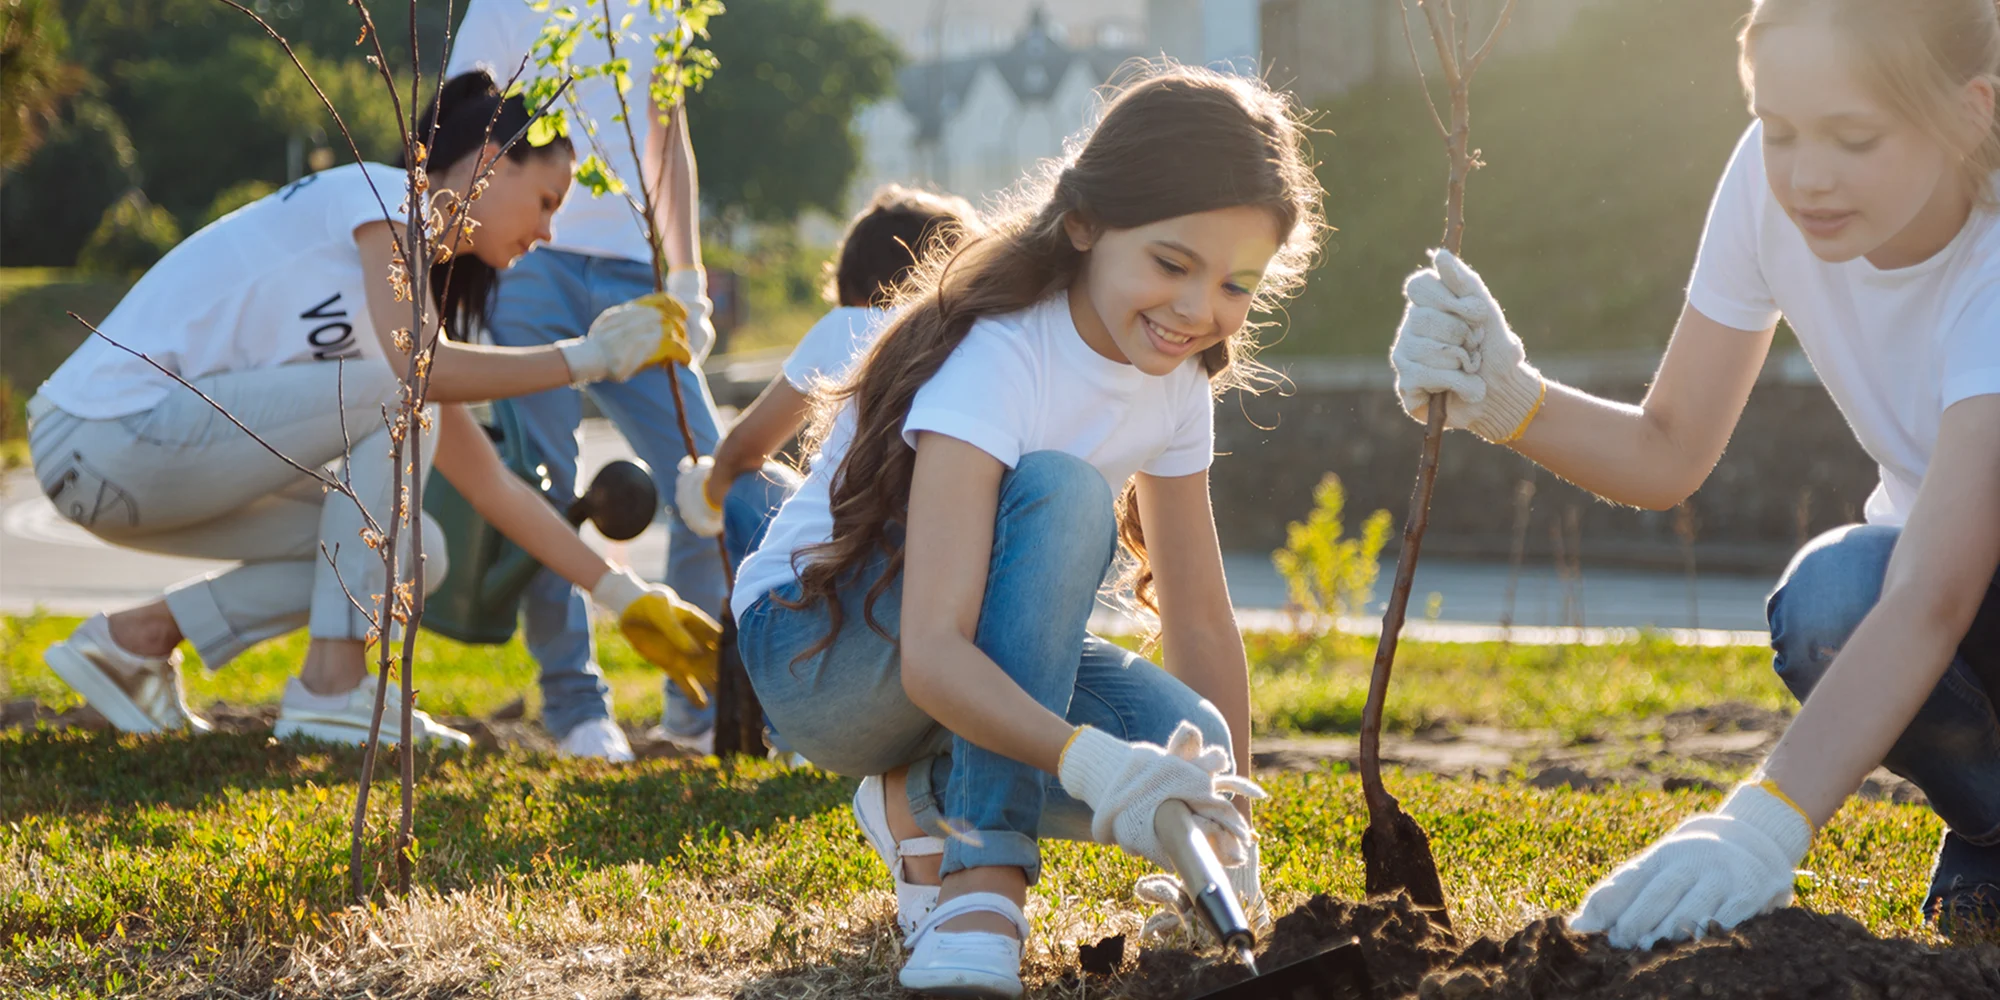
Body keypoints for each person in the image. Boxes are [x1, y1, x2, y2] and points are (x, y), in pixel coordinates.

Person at [1390, 0, 2000, 947]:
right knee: (1832, 605)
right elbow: (1669, 449)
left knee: (1855, 593)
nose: (1807, 175)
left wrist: (1761, 824)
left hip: (1961, 588)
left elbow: (1933, 595)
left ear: (1973, 109)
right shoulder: (1771, 194)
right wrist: (1506, 397)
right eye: (1778, 129)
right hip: (1951, 585)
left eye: (1854, 136)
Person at [730, 65, 1325, 997]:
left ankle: (914, 799)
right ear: (1084, 224)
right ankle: (981, 882)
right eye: (1172, 264)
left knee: (1188, 738)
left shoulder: (1177, 381)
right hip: (820, 650)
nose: (1199, 310)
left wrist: (1224, 827)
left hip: (948, 648)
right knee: (1064, 492)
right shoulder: (1000, 353)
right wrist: (1095, 765)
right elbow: (932, 653)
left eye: (1235, 283)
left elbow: (1202, 626)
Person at [29, 72, 720, 748]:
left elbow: (492, 486)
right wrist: (591, 357)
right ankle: (332, 691)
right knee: (402, 393)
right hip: (99, 437)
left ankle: (132, 642)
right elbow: (421, 376)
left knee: (418, 550)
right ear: (489, 162)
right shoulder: (383, 199)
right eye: (546, 200)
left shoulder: (397, 301)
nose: (547, 232)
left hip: (141, 464)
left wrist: (626, 596)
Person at [447, 0, 729, 762]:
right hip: (529, 263)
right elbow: (465, 122)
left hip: (635, 267)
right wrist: (464, 278)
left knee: (706, 476)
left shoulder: (663, 9)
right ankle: (576, 709)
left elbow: (669, 142)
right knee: (549, 487)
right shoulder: (507, 5)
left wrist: (688, 278)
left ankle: (695, 709)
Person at [672, 184, 980, 568]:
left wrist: (706, 498)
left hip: (855, 560)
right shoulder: (978, 336)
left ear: (857, 286)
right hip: (951, 556)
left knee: (742, 487)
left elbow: (742, 449)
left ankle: (742, 620)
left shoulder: (852, 325)